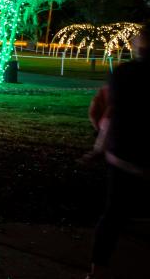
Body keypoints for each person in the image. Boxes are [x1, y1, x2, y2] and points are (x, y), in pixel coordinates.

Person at [88, 24, 150, 278]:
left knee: (113, 215)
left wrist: (99, 147)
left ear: (140, 45)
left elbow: (108, 114)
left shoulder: (124, 73)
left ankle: (97, 271)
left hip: (122, 154)